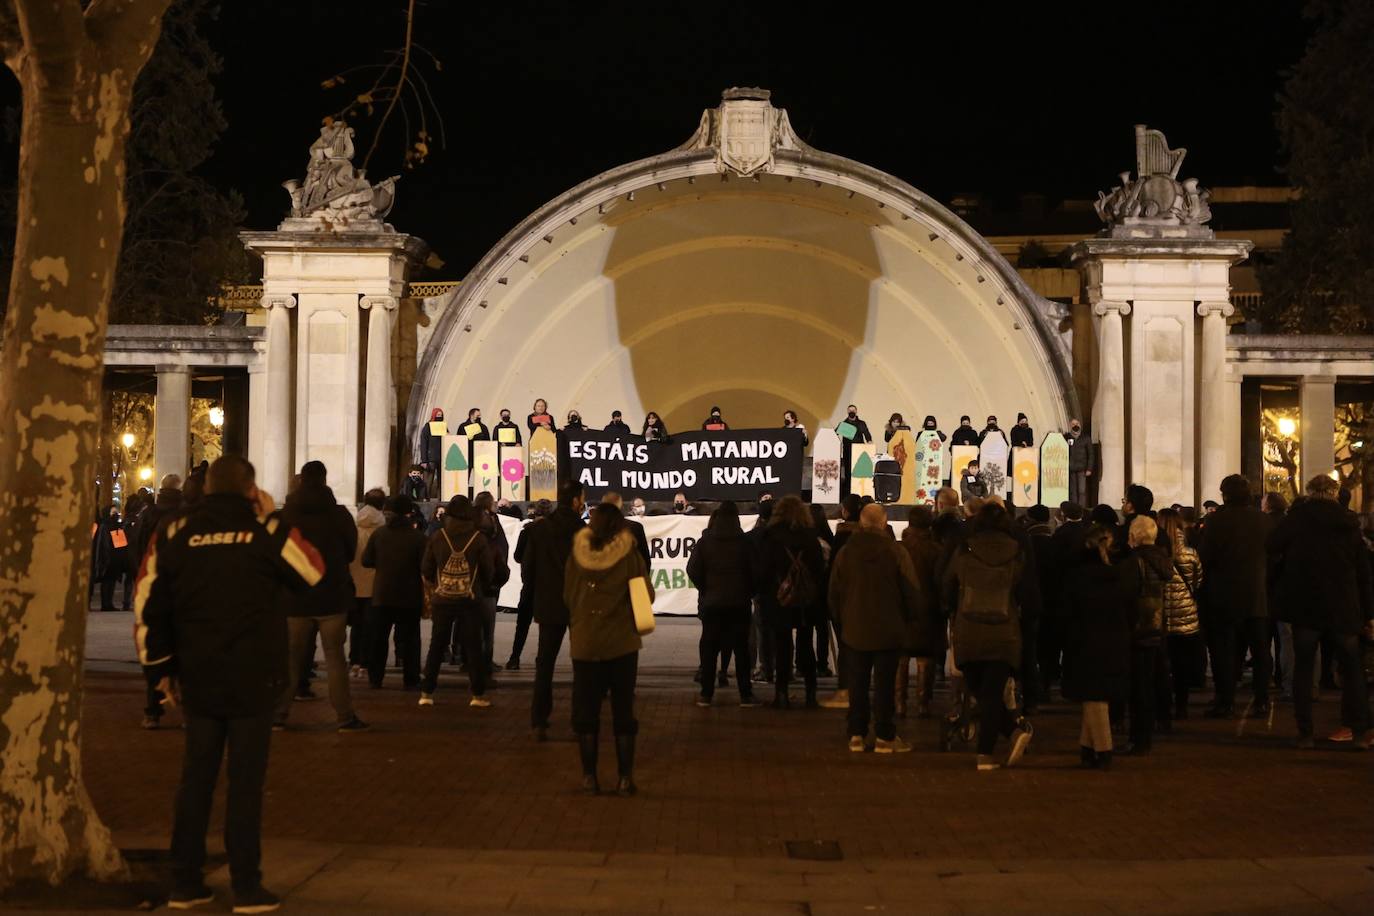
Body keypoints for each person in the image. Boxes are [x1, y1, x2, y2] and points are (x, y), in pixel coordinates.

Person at [135, 454, 321, 913]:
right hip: (255, 674)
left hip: (197, 674)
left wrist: (159, 670)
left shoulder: (175, 534)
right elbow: (313, 571)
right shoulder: (267, 531)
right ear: (250, 490)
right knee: (245, 783)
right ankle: (246, 885)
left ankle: (185, 881)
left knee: (195, 779)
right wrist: (270, 516)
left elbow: (148, 604)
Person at [1268, 474, 1374, 749]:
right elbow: (1363, 572)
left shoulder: (1297, 519)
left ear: (1310, 491)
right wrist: (1368, 611)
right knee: (1352, 670)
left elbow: (1272, 546)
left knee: (1304, 667)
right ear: (1335, 492)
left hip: (1306, 603)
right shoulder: (1348, 523)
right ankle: (1358, 730)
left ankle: (1305, 731)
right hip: (1344, 604)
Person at [564, 503, 653, 796]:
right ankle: (625, 778)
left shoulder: (576, 555)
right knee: (623, 711)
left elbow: (568, 595)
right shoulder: (630, 555)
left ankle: (589, 777)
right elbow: (644, 595)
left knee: (586, 712)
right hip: (622, 642)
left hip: (586, 642)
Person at [274, 461, 367, 732]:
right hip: (331, 595)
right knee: (336, 658)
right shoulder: (339, 515)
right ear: (325, 480)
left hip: (294, 596)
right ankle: (345, 717)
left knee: (290, 659)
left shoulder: (286, 516)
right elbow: (350, 552)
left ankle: (278, 714)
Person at [942, 502, 1035, 770]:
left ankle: (990, 749)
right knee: (991, 693)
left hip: (968, 629)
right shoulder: (1017, 553)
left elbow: (947, 585)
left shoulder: (965, 550)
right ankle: (1004, 739)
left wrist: (953, 608)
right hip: (1004, 630)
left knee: (982, 692)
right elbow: (1026, 593)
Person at [829, 504, 922, 753]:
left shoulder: (847, 552)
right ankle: (884, 735)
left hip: (854, 627)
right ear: (884, 522)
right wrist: (910, 618)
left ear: (861, 523)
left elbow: (834, 591)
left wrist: (841, 620)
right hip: (889, 627)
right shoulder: (896, 551)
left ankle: (856, 734)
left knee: (857, 683)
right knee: (884, 684)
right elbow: (911, 590)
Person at [1198, 474, 1273, 719]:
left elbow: (1205, 557)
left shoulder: (1216, 521)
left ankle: (1225, 700)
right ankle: (1262, 699)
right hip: (1256, 593)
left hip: (1223, 594)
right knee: (1260, 652)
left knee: (1224, 652)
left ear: (1225, 495)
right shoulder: (1263, 520)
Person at [1060, 525, 1130, 770]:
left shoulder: (1076, 577)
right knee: (1097, 695)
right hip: (1114, 639)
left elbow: (1067, 612)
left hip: (1083, 640)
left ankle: (1102, 748)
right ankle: (1087, 747)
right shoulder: (1119, 575)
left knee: (1094, 696)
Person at [420, 495, 496, 707]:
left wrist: (437, 583)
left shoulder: (438, 536)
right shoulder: (478, 538)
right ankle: (477, 695)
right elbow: (488, 571)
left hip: (442, 599)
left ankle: (427, 692)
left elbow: (426, 568)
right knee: (473, 647)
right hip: (470, 599)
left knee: (437, 644)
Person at [526, 481, 587, 739]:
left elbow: (528, 569)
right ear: (575, 501)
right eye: (582, 498)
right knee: (582, 663)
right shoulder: (583, 532)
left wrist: (534, 596)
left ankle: (540, 718)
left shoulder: (540, 529)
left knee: (545, 663)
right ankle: (580, 719)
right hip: (578, 603)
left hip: (549, 603)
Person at [687, 502, 760, 707]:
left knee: (709, 649)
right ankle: (745, 694)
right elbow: (757, 572)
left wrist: (706, 588)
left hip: (712, 603)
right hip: (739, 603)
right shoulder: (745, 542)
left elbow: (693, 569)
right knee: (741, 650)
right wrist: (748, 591)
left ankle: (706, 694)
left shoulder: (705, 542)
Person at [759, 495, 825, 708]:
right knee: (806, 644)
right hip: (806, 600)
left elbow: (765, 570)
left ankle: (782, 694)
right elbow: (818, 569)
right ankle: (810, 694)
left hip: (780, 598)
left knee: (782, 644)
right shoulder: (811, 537)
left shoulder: (771, 536)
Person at [131, 474, 185, 729]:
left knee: (155, 648)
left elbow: (137, 545)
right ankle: (189, 712)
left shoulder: (148, 513)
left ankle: (152, 710)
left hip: (154, 585)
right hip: (181, 589)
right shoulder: (185, 518)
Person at [361, 494, 426, 690]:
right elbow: (426, 566)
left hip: (382, 594)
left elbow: (366, 560)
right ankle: (411, 678)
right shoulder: (418, 537)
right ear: (409, 513)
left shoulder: (379, 534)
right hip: (410, 595)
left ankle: (376, 677)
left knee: (379, 638)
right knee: (410, 640)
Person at [1119, 516, 1171, 754]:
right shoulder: (1162, 559)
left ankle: (1138, 739)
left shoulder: (1134, 562)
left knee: (1138, 686)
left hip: (1137, 628)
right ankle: (1148, 732)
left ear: (1134, 536)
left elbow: (1127, 596)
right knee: (1151, 681)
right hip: (1157, 625)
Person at [897, 506, 945, 719]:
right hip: (930, 608)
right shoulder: (936, 550)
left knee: (901, 656)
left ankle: (899, 703)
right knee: (926, 657)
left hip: (903, 607)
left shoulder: (900, 548)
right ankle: (923, 702)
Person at [1157, 508, 1204, 722]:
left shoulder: (1155, 553)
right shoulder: (1190, 553)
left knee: (1161, 665)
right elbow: (1197, 582)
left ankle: (1163, 708)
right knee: (1181, 665)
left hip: (1160, 615)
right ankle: (1182, 706)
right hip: (1186, 616)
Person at [469, 491, 511, 681]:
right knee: (487, 627)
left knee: (470, 626)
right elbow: (500, 554)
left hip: (467, 583)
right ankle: (484, 665)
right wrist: (497, 580)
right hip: (487, 584)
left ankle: (468, 659)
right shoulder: (491, 531)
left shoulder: (466, 527)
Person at [505, 499, 551, 670]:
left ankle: (514, 658)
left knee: (522, 623)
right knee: (546, 624)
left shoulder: (527, 531)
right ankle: (542, 659)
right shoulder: (554, 532)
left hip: (530, 582)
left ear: (535, 512)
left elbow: (517, 556)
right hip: (548, 584)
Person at [347, 489, 386, 680]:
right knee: (373, 626)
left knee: (357, 625)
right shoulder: (381, 529)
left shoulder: (355, 527)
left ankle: (354, 661)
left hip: (355, 582)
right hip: (375, 583)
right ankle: (366, 662)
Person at [91, 505, 130, 612]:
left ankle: (109, 603)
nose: (116, 515)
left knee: (111, 581)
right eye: (113, 513)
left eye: (116, 512)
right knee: (106, 581)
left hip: (115, 558)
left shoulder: (117, 526)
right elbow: (103, 544)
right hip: (107, 558)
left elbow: (121, 543)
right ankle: (105, 604)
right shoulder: (105, 526)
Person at [602, 491, 651, 567]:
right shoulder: (635, 527)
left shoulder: (592, 529)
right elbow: (645, 560)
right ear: (620, 504)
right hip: (629, 575)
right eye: (638, 506)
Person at [419, 407, 446, 498]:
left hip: (442, 458)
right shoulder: (428, 426)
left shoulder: (443, 426)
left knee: (442, 480)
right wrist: (424, 460)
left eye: (441, 415)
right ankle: (425, 498)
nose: (440, 417)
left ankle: (441, 498)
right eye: (438, 415)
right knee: (428, 480)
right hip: (431, 458)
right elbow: (423, 444)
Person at [1065, 419, 1093, 506]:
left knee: (1081, 491)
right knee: (1073, 491)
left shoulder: (1086, 438)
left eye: (1077, 423)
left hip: (1082, 468)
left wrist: (1089, 468)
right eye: (1073, 424)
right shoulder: (1067, 437)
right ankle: (1074, 510)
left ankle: (1081, 510)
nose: (1075, 425)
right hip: (1071, 468)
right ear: (1070, 426)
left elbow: (1091, 454)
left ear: (1080, 425)